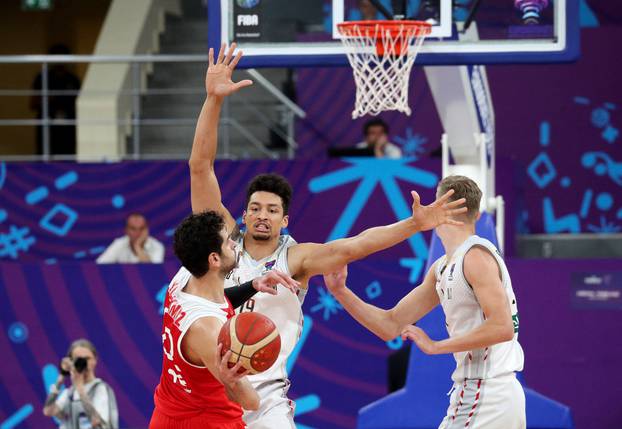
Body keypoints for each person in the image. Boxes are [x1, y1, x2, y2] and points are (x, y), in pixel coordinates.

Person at [189, 43, 467, 428]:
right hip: (212, 385)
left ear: (285, 220)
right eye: (255, 208)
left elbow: (356, 245)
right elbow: (200, 169)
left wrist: (414, 225)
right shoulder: (224, 248)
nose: (262, 216)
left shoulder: (298, 258)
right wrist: (213, 100)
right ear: (244, 213)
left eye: (272, 211)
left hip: (265, 396)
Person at [323, 175, 526, 429]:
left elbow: (502, 327)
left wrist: (436, 345)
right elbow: (390, 325)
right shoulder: (442, 268)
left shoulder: (474, 257)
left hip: (486, 392)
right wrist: (341, 291)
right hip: (487, 394)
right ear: (476, 215)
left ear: (439, 205)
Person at [149, 210, 301, 429]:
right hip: (207, 421)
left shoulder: (183, 277)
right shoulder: (208, 330)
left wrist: (253, 285)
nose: (233, 244)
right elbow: (251, 401)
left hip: (169, 410)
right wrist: (231, 380)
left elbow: (217, 301)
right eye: (227, 241)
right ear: (214, 259)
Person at [43, 339, 119, 429]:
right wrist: (60, 379)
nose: (84, 363)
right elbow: (48, 411)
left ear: (95, 360)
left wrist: (80, 388)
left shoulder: (101, 389)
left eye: (87, 359)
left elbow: (97, 422)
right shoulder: (69, 393)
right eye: (78, 359)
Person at [30, 44, 81, 156]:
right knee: (45, 154)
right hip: (47, 123)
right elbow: (32, 103)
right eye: (56, 58)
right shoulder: (42, 77)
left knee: (68, 155)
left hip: (68, 126)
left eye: (63, 58)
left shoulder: (73, 79)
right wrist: (47, 99)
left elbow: (79, 104)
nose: (60, 62)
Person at [97, 213, 165, 264]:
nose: (137, 233)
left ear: (147, 230)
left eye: (141, 229)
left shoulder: (157, 246)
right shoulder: (119, 243)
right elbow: (100, 265)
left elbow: (154, 271)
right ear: (126, 230)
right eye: (133, 229)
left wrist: (137, 247)